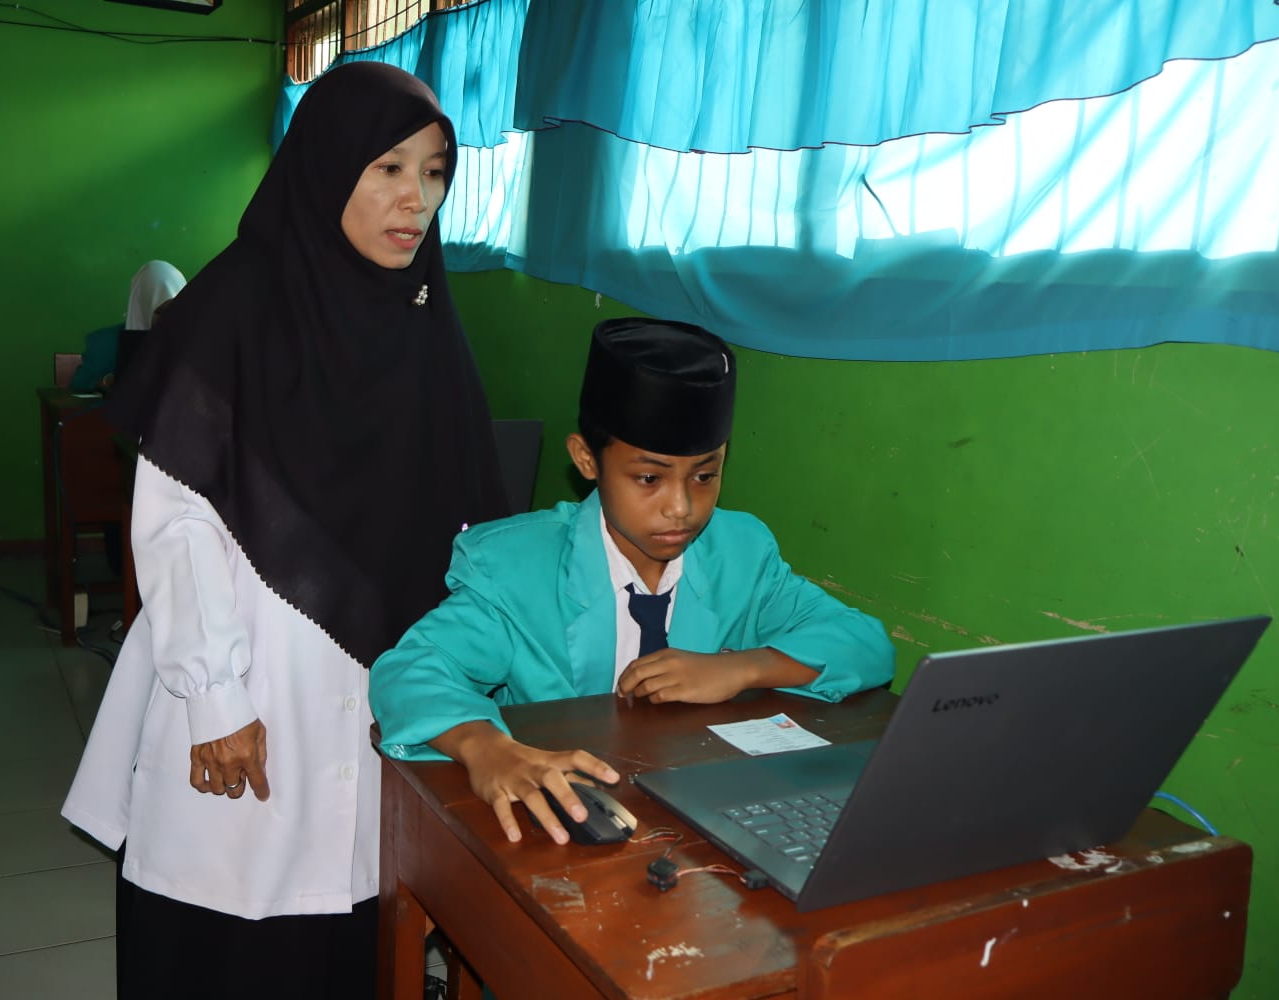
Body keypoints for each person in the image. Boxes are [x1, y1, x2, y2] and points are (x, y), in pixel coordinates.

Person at [61, 62, 507, 997]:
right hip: (249, 668)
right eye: (388, 168)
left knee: (351, 917)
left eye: (434, 174)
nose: (416, 200)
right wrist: (215, 701)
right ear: (327, 165)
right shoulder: (235, 306)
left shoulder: (425, 324)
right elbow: (176, 519)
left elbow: (468, 521)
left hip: (376, 687)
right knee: (226, 925)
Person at [370, 318, 896, 846]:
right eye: (649, 478)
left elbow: (865, 644)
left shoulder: (740, 552)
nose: (681, 507)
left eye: (705, 475)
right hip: (564, 824)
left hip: (695, 813)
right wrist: (484, 746)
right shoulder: (515, 567)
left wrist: (741, 668)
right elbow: (409, 670)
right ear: (586, 459)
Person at [68, 260, 186, 393]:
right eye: (160, 311)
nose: (169, 318)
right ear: (144, 307)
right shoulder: (105, 342)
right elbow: (79, 384)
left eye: (177, 310)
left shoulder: (191, 340)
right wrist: (107, 381)